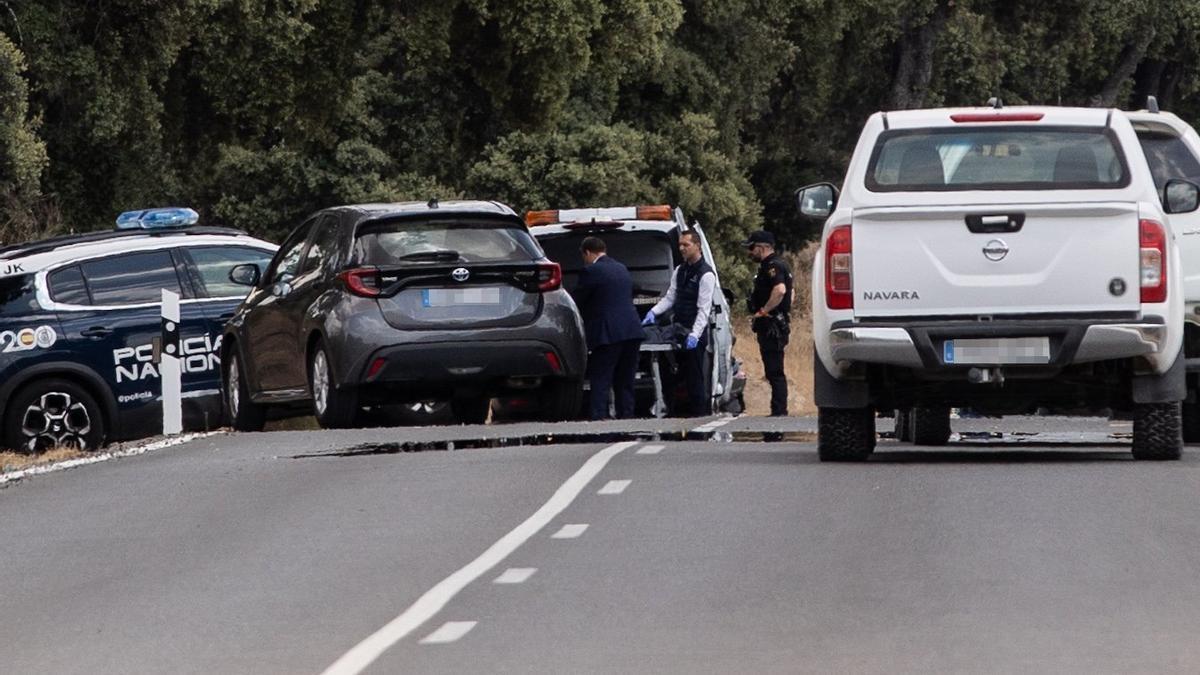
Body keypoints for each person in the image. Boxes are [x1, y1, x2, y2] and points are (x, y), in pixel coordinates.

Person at [643, 230, 716, 416]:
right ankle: (674, 413)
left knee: (695, 378)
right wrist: (654, 312)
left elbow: (703, 309)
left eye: (686, 245)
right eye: (680, 245)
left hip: (695, 333)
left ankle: (699, 416)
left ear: (697, 246)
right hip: (679, 329)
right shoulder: (680, 271)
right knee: (671, 376)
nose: (682, 248)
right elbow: (670, 298)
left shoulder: (706, 274)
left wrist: (695, 334)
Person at [571, 236, 644, 419]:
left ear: (587, 252)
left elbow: (577, 301)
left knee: (601, 379)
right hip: (632, 331)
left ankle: (599, 419)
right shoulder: (621, 268)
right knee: (625, 380)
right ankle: (626, 417)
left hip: (608, 334)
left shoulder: (591, 271)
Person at [744, 230, 793, 425]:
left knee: (775, 371)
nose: (749, 252)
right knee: (773, 369)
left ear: (762, 247)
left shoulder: (772, 266)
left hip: (772, 325)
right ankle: (778, 409)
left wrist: (764, 311)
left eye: (751, 247)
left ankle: (779, 411)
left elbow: (780, 290)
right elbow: (792, 292)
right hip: (775, 323)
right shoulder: (778, 265)